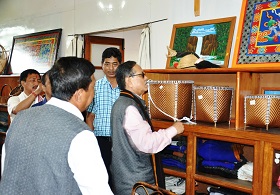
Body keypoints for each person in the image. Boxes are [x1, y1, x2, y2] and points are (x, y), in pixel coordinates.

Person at [0, 57, 113, 195]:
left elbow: (6, 169)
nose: (94, 94)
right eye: (93, 88)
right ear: (79, 94)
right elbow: (98, 191)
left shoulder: (21, 119)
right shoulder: (80, 134)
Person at [110, 60, 185, 194]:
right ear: (129, 80)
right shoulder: (130, 107)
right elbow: (147, 143)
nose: (147, 78)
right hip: (137, 184)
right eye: (142, 75)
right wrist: (174, 129)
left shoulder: (120, 103)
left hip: (126, 179)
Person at [86, 47, 122, 188]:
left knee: (120, 177)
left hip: (121, 140)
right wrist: (91, 140)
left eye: (115, 64)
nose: (111, 68)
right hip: (101, 140)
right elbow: (90, 117)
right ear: (101, 64)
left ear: (120, 64)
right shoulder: (95, 87)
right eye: (107, 64)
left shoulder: (126, 87)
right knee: (103, 177)